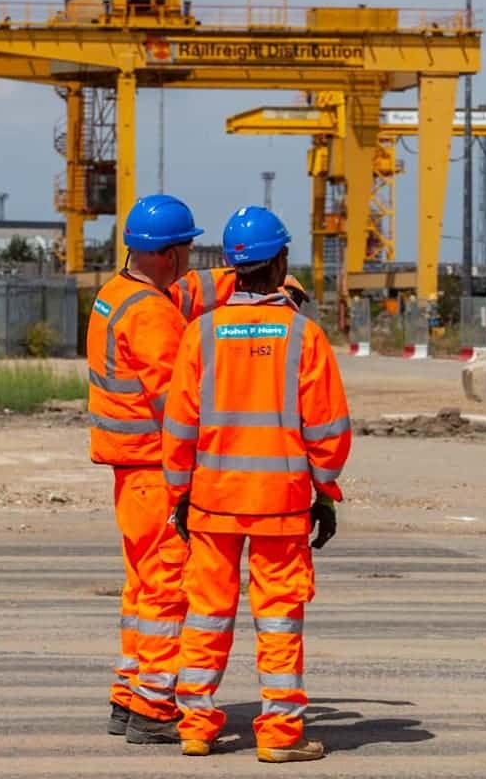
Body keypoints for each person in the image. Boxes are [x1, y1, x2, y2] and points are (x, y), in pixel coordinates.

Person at [162, 205, 351, 763]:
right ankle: (279, 734)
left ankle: (195, 726)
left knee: (206, 614)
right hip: (282, 504)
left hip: (212, 503)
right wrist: (326, 491)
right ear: (282, 261)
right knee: (279, 618)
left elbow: (179, 425)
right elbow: (328, 428)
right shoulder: (303, 336)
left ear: (230, 267)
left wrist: (180, 492)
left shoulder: (202, 334)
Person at [87, 193, 204, 745]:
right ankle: (155, 709)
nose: (191, 260)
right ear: (166, 256)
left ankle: (128, 694)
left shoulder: (115, 294)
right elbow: (176, 405)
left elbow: (199, 288)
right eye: (186, 249)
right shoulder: (155, 313)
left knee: (141, 587)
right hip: (155, 471)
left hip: (127, 472)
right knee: (166, 588)